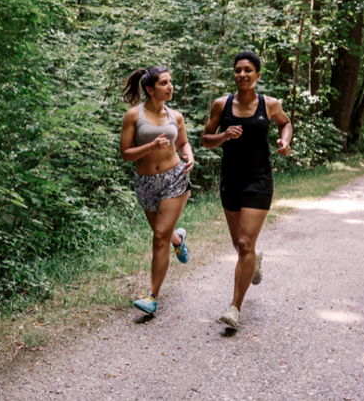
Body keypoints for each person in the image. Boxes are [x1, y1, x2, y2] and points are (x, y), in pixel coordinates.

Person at [202, 51, 292, 329]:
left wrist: (285, 141)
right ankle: (254, 262)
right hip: (231, 180)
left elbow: (285, 123)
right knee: (239, 244)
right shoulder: (221, 105)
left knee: (244, 244)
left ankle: (234, 308)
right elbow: (206, 140)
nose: (242, 74)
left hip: (259, 179)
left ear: (258, 75)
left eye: (248, 70)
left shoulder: (270, 104)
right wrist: (224, 136)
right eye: (238, 70)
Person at [120, 66, 195, 315]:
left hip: (175, 178)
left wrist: (189, 156)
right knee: (163, 235)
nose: (170, 86)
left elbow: (183, 143)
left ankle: (152, 296)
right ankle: (179, 239)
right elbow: (125, 154)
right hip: (146, 182)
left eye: (171, 82)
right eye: (164, 83)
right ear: (150, 89)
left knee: (158, 238)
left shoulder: (176, 116)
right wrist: (151, 146)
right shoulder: (133, 115)